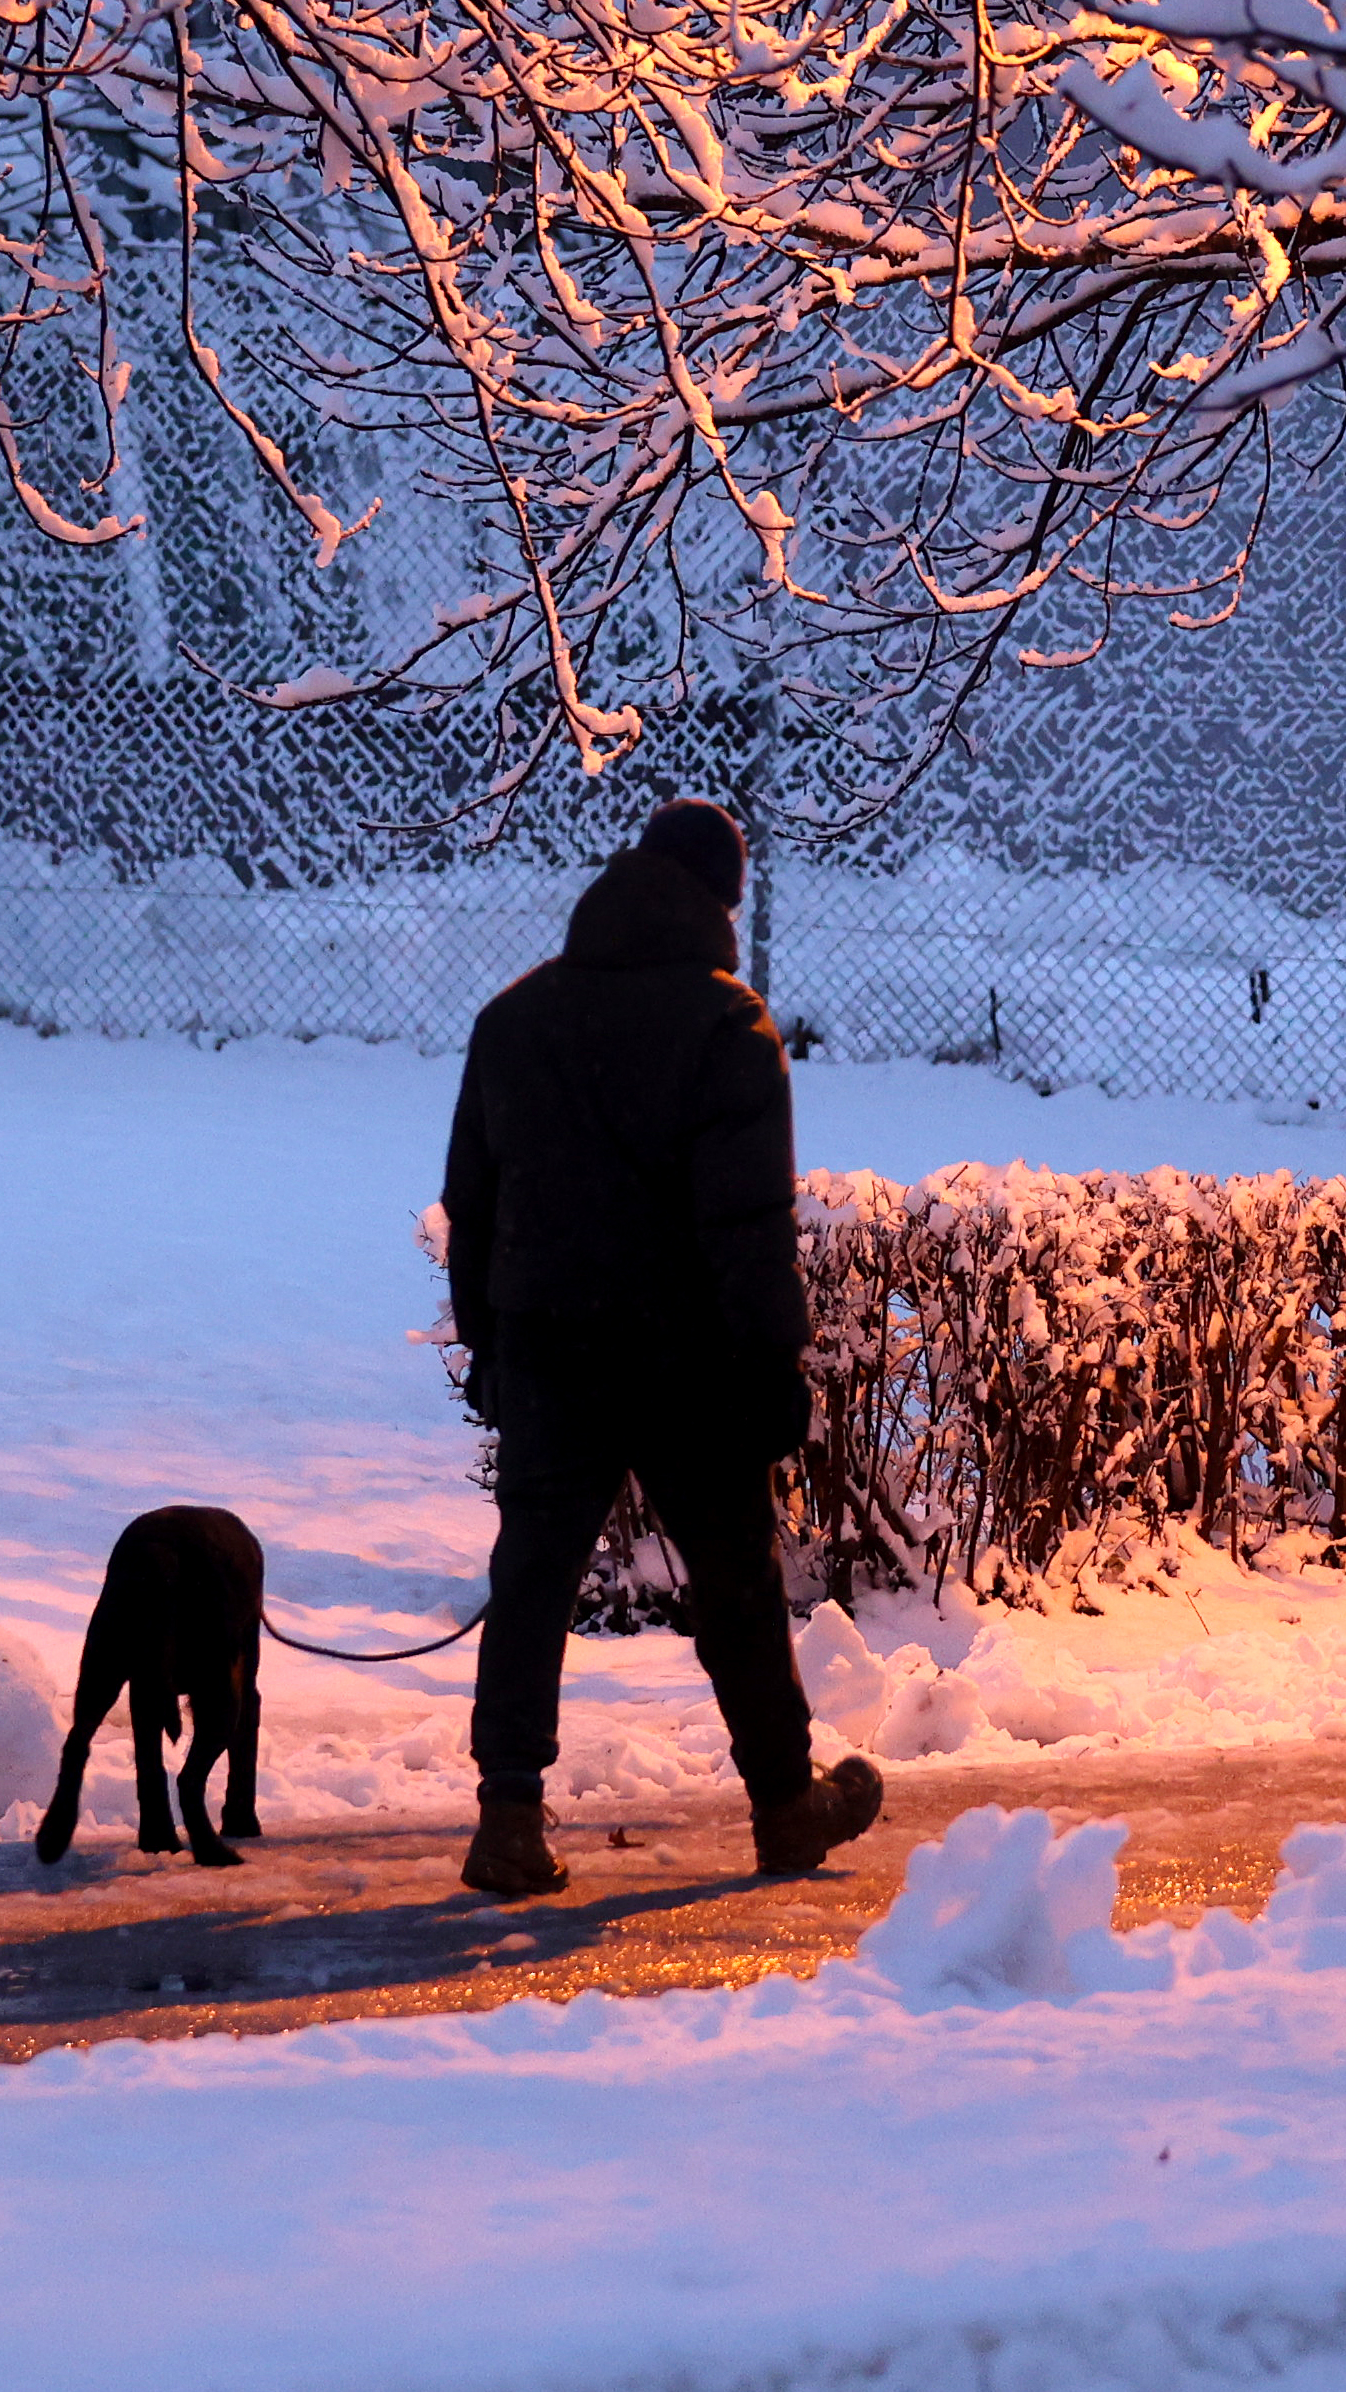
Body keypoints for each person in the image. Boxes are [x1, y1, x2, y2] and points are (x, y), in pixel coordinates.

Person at [441, 796, 884, 1898]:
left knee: (531, 1578)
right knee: (735, 1580)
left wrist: (492, 1348)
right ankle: (784, 1806)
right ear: (722, 900)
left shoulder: (514, 1019)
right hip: (689, 1361)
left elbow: (475, 1206)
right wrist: (773, 1365)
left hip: (551, 1351)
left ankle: (507, 1819)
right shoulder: (728, 1026)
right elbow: (746, 1227)